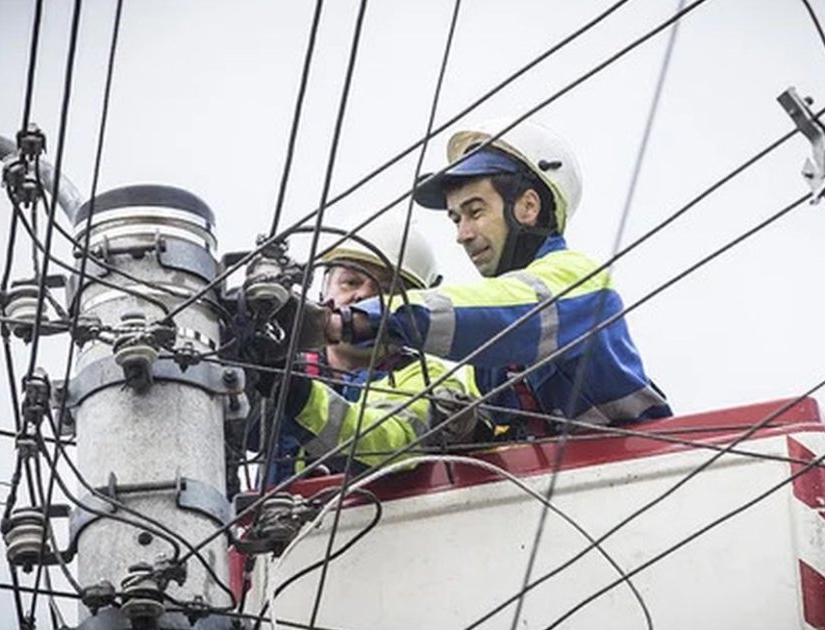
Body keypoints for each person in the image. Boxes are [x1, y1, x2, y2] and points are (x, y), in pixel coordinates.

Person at [325, 119, 671, 437]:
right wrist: (472, 429)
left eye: (475, 212)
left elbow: (501, 312)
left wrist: (358, 320)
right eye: (455, 219)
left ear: (528, 207)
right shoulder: (486, 362)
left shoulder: (579, 281)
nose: (462, 234)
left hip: (646, 480)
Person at [263, 219, 489, 482]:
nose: (365, 297)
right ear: (324, 289)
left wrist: (296, 395)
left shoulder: (429, 379)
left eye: (385, 290)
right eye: (350, 282)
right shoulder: (286, 364)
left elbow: (393, 441)